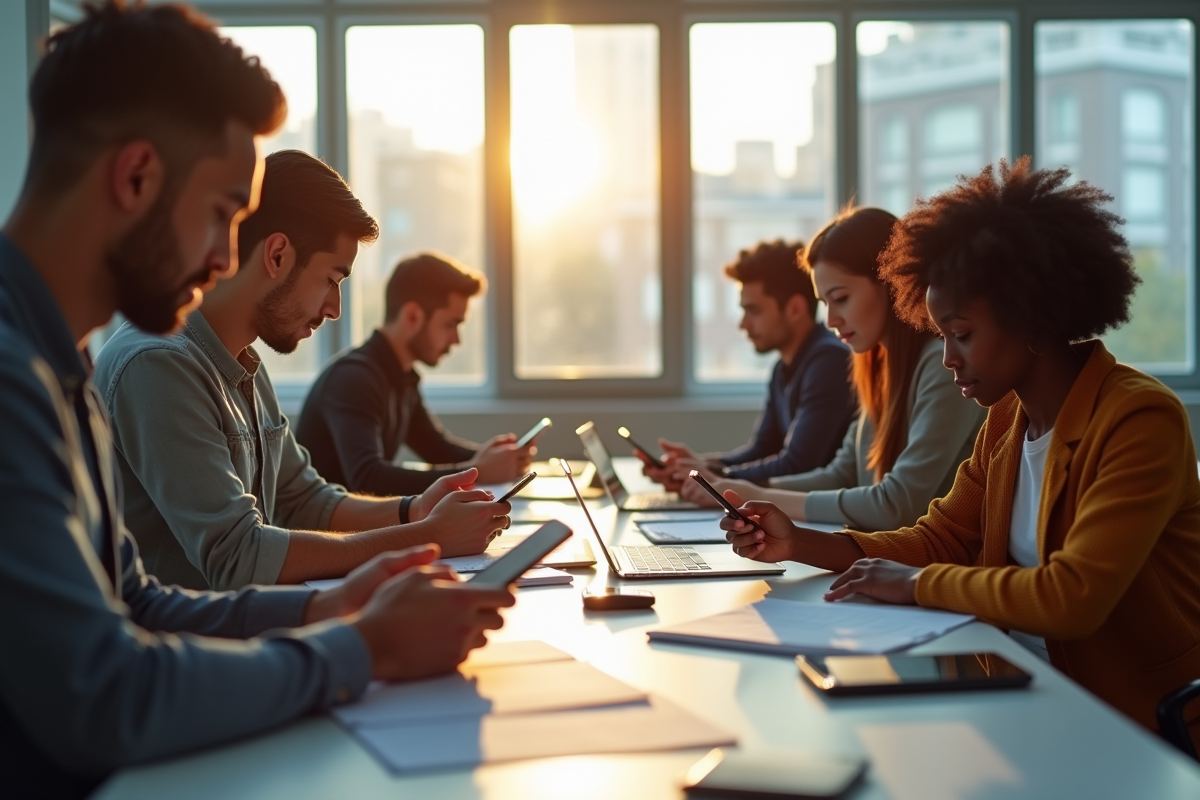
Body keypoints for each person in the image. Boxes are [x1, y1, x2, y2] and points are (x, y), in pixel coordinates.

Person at [0, 3, 514, 797]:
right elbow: (99, 695)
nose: (222, 258)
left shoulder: (60, 362)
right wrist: (362, 649)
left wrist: (326, 610)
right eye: (219, 217)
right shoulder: (17, 377)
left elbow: (133, 599)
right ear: (135, 178)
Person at [720, 159, 1200, 741]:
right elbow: (939, 539)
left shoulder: (1137, 418)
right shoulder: (1005, 420)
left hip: (1129, 720)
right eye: (941, 333)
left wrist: (915, 584)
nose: (947, 357)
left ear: (1030, 316)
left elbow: (1072, 597)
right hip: (1015, 687)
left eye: (963, 334)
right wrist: (797, 542)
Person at [94, 150, 511, 591]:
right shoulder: (159, 365)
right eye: (332, 279)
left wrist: (415, 510)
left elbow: (305, 499)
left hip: (250, 629)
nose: (335, 309)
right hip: (183, 648)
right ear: (277, 255)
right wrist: (428, 538)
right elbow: (240, 557)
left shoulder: (244, 364)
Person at [682, 208, 984, 531]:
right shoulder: (878, 367)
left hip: (934, 570)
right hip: (889, 559)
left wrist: (759, 494)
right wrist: (750, 492)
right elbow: (843, 474)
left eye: (840, 298)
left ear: (891, 283)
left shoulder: (943, 367)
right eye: (825, 303)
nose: (830, 321)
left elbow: (897, 505)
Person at [297, 252, 535, 495]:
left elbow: (434, 447)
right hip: (327, 531)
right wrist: (479, 471)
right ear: (413, 316)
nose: (456, 340)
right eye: (450, 324)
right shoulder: (354, 379)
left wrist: (495, 459)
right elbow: (367, 478)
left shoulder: (400, 375)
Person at [640, 239, 854, 490]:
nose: (743, 324)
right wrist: (699, 465)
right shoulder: (783, 369)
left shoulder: (828, 363)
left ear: (795, 308)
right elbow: (762, 449)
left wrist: (717, 478)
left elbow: (798, 464)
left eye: (754, 311)